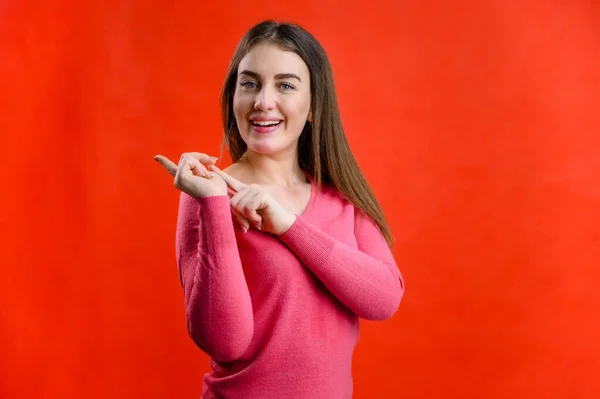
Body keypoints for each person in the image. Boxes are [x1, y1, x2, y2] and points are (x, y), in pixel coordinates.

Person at [154, 19, 404, 399]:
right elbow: (223, 342)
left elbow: (384, 299)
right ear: (233, 97)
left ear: (312, 108)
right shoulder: (206, 193)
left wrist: (288, 226)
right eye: (249, 83)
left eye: (285, 85)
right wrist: (213, 206)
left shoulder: (343, 200)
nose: (262, 101)